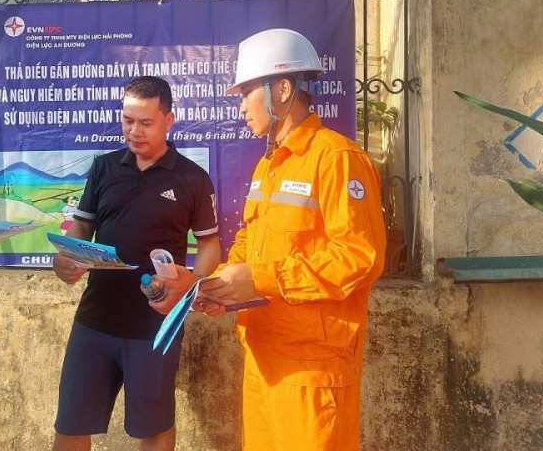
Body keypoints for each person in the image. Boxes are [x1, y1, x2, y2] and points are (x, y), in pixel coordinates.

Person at [154, 28, 387, 451]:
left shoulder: (338, 159)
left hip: (311, 368)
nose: (241, 105)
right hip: (261, 360)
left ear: (282, 89)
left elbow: (358, 256)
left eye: (246, 92)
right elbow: (249, 245)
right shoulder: (268, 166)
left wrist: (261, 279)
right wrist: (217, 288)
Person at [52, 75, 221, 451]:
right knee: (71, 422)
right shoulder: (104, 167)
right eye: (128, 120)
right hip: (94, 319)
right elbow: (82, 226)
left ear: (168, 120)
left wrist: (192, 283)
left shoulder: (193, 178)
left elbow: (210, 244)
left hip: (155, 327)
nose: (134, 131)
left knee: (154, 428)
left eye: (146, 122)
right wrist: (68, 256)